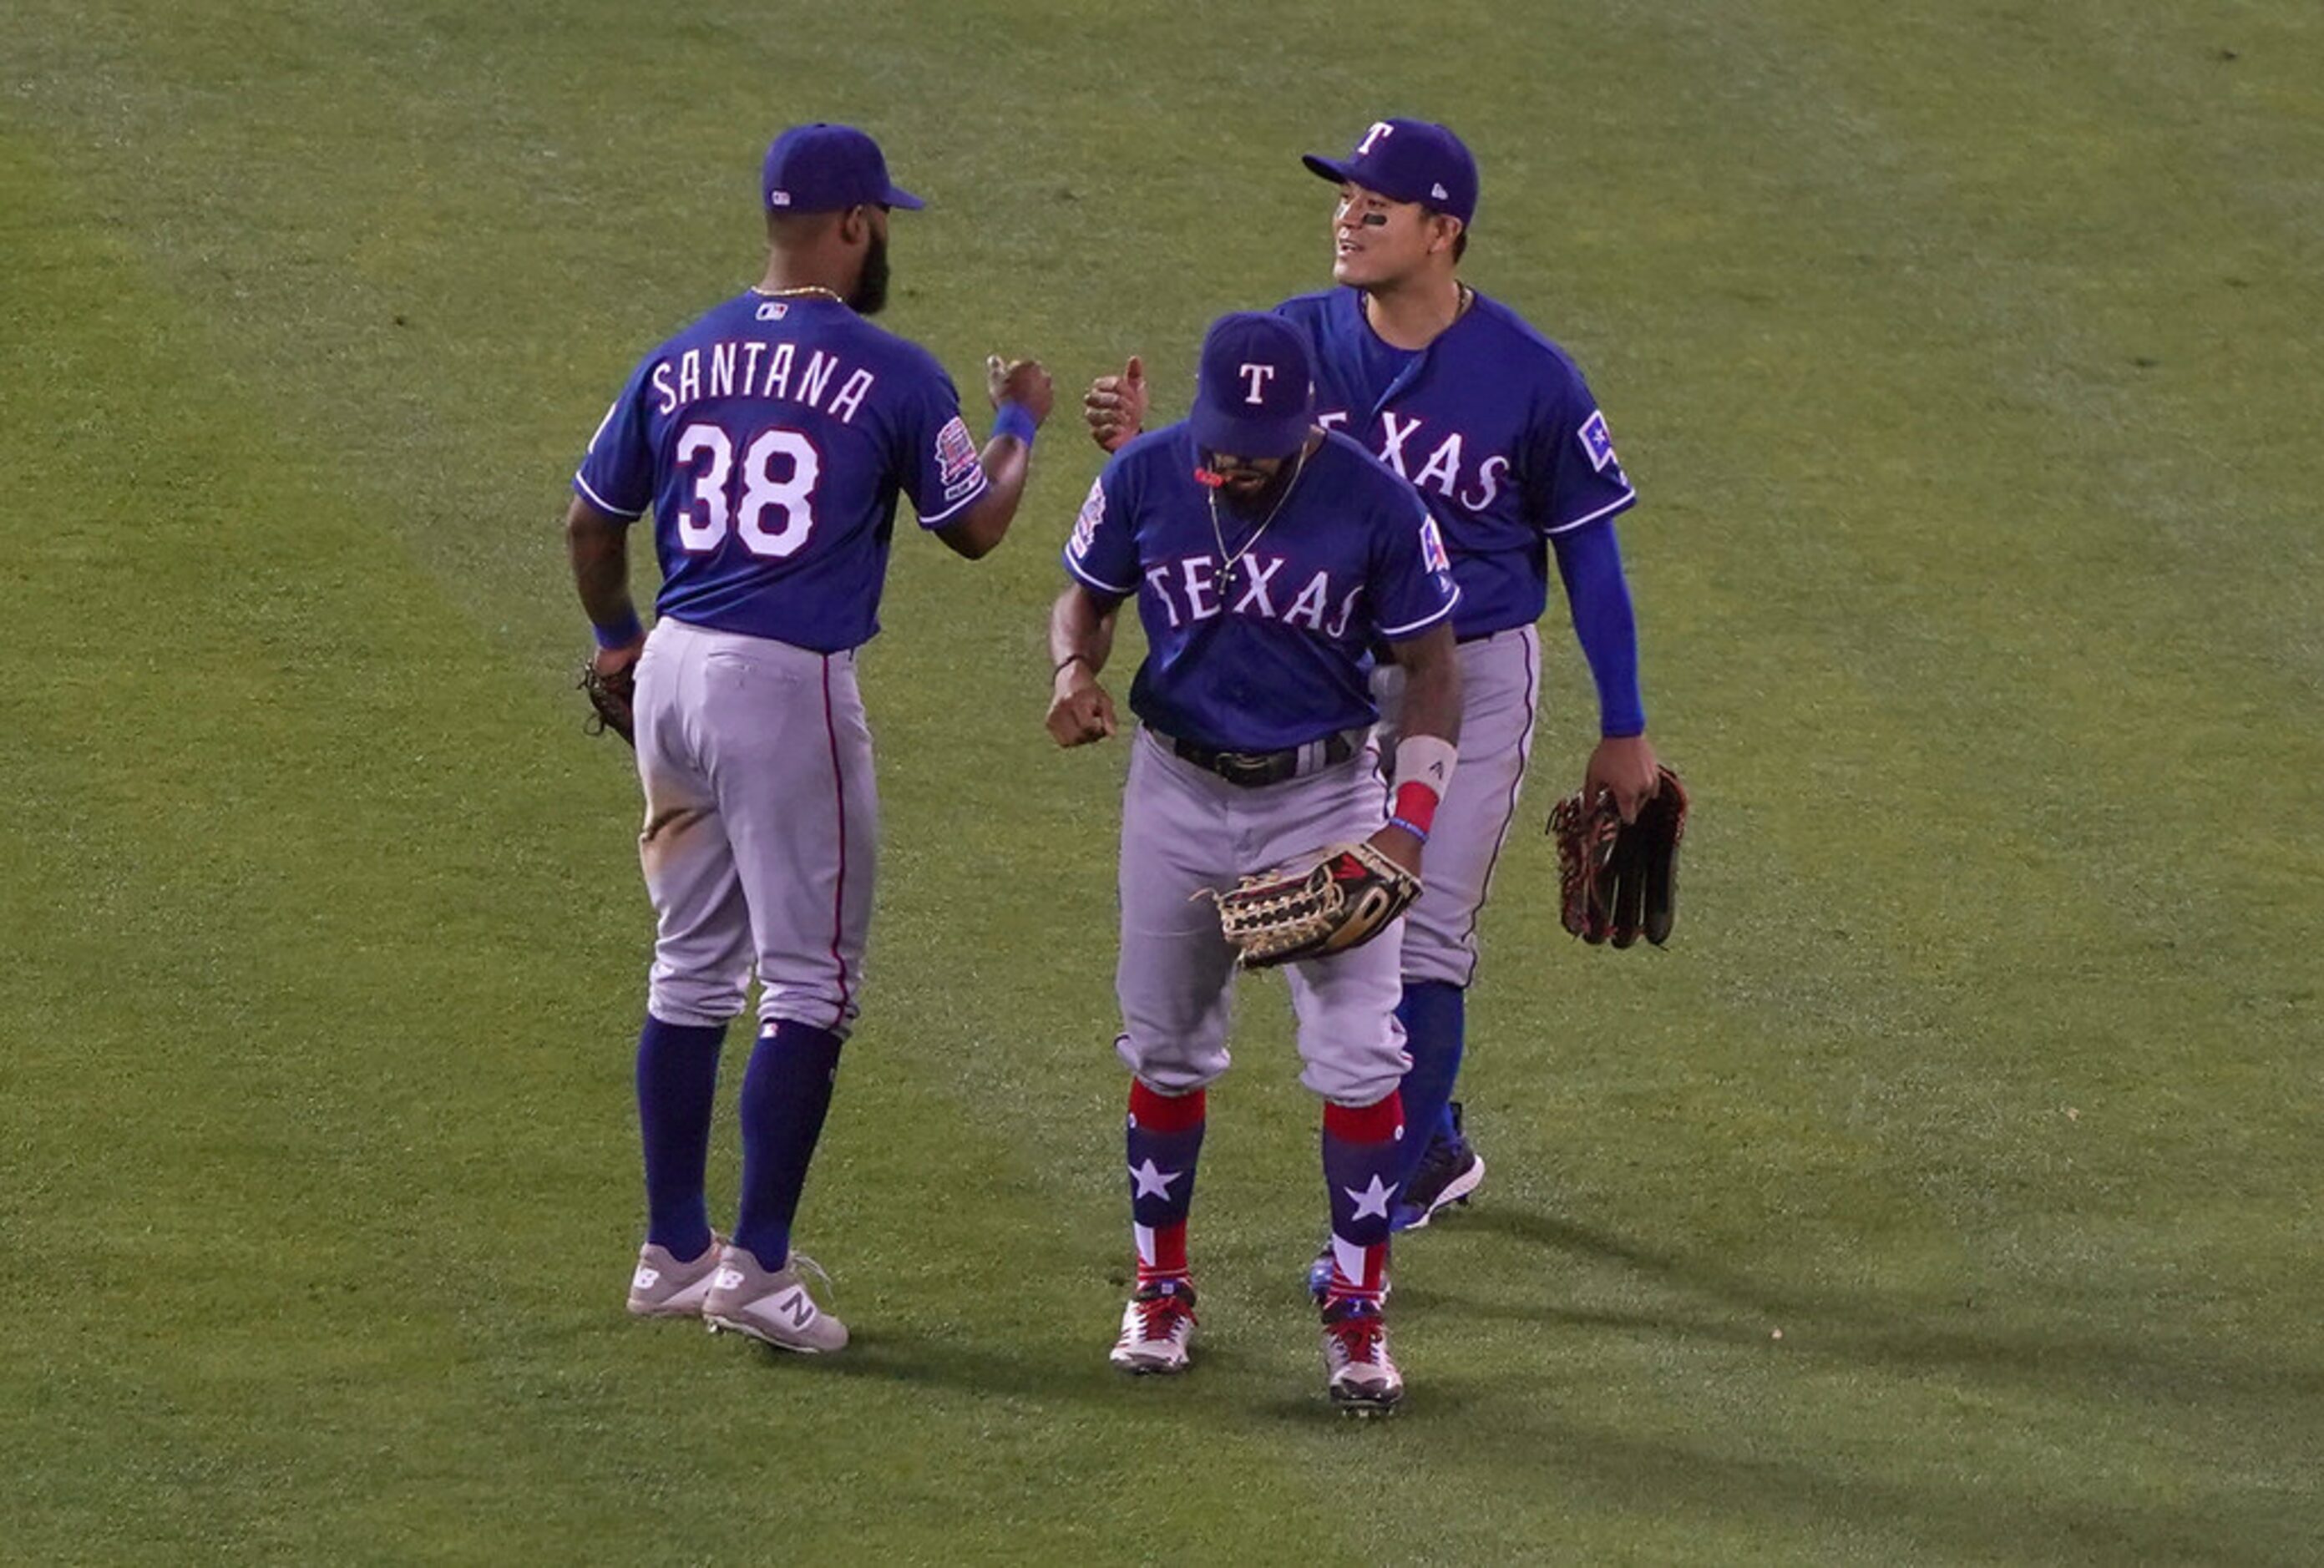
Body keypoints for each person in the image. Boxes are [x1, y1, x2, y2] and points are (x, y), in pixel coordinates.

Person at [1084, 119, 1662, 1262]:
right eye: (1344, 198)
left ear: (1444, 232)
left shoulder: (1531, 378)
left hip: (1473, 673)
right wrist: (1146, 444)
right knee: (1333, 932)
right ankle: (1431, 1131)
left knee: (1424, 929)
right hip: (1331, 671)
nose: (1349, 216)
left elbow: (1592, 558)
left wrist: (1625, 729)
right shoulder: (1295, 340)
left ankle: (1380, 1213)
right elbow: (1224, 476)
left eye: (1378, 205)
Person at [565, 123, 1052, 1353]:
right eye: (880, 218)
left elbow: (588, 519)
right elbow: (978, 523)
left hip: (672, 665)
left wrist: (619, 639)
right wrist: (1022, 422)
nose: (883, 235)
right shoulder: (889, 368)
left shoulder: (680, 353)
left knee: (689, 967)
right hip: (785, 686)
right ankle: (758, 1271)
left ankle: (672, 1248)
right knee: (812, 983)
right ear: (851, 226)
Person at [1047, 311, 1463, 1414]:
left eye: (1257, 444)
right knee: (1166, 1046)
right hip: (1176, 790)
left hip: (1327, 797)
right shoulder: (1146, 476)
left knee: (1363, 1056)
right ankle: (1160, 1287)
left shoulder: (1375, 501)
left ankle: (1359, 1307)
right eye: (1223, 436)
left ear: (1302, 426)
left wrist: (1408, 823)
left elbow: (1432, 666)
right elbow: (1086, 597)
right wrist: (1068, 671)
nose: (1231, 460)